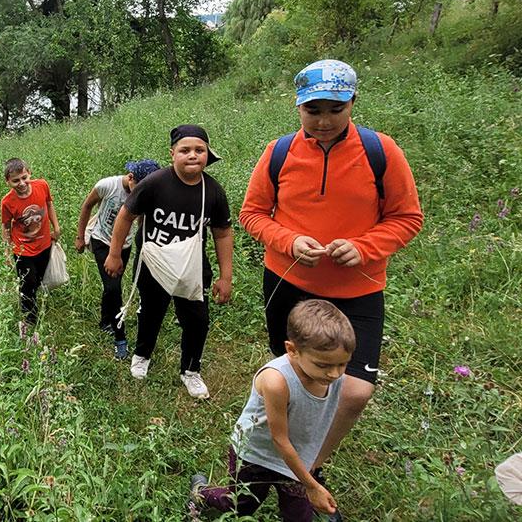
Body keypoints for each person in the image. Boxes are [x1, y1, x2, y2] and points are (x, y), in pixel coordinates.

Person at [239, 59, 423, 496]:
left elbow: (407, 217)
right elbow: (252, 214)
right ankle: (284, 457)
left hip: (357, 289)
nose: (323, 121)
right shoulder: (279, 152)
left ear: (353, 103)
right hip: (287, 282)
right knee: (299, 379)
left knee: (354, 392)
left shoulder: (381, 152)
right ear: (298, 107)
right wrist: (288, 241)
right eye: (313, 110)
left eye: (334, 110)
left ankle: (307, 469)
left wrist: (362, 247)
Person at [190, 300, 355, 521]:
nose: (334, 374)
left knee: (299, 516)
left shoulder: (333, 375)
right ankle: (201, 493)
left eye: (342, 364)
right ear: (292, 350)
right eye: (323, 365)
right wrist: (312, 486)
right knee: (239, 505)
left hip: (298, 457)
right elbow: (279, 439)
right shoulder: (276, 381)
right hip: (257, 455)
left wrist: (311, 468)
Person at [105, 125, 233, 398]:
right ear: (172, 153)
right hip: (155, 264)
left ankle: (191, 370)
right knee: (151, 312)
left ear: (207, 155)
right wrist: (115, 254)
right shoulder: (154, 184)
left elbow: (222, 233)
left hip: (192, 267)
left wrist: (226, 276)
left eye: (199, 150)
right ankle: (141, 355)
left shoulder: (212, 191)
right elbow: (126, 215)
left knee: (197, 320)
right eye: (185, 150)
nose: (192, 155)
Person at [74, 159, 161, 360]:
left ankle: (105, 320)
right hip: (102, 241)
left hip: (125, 244)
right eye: (138, 188)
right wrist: (80, 237)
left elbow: (142, 220)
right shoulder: (107, 185)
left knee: (112, 285)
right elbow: (87, 206)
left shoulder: (146, 193)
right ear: (131, 178)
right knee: (114, 288)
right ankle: (119, 338)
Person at [0, 158, 61, 325]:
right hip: (22, 249)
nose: (21, 183)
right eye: (15, 181)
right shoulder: (7, 202)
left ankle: (34, 297)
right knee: (28, 282)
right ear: (8, 182)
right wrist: (7, 250)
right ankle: (30, 320)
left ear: (29, 174)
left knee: (39, 278)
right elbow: (5, 227)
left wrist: (56, 227)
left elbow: (49, 205)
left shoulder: (42, 185)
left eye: (24, 178)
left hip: (44, 243)